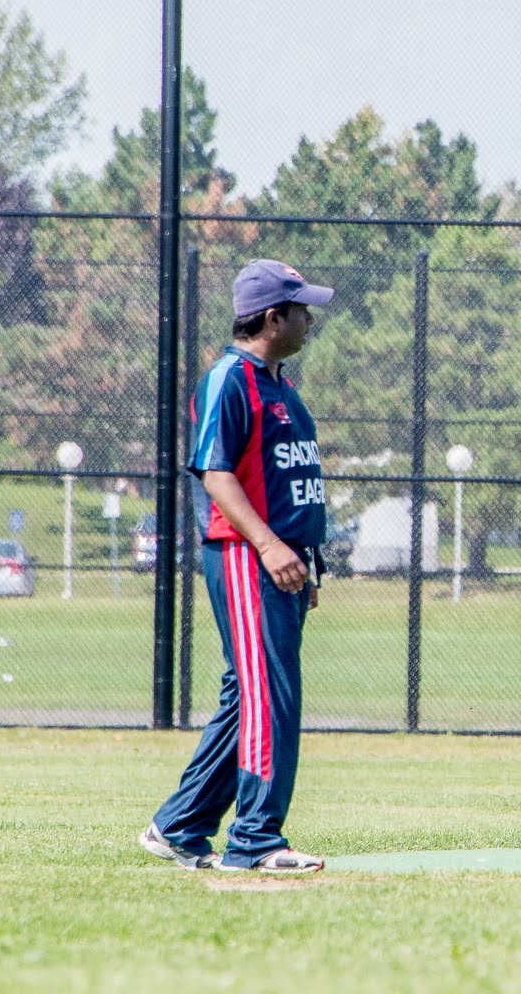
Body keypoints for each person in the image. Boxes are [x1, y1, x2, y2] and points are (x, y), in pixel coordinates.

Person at [141, 260, 334, 875]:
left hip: (282, 563)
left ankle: (179, 825)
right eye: (301, 309)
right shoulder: (231, 378)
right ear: (272, 317)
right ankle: (254, 840)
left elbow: (286, 480)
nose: (310, 319)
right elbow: (215, 473)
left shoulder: (280, 386)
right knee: (270, 695)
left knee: (246, 695)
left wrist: (304, 559)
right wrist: (271, 547)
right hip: (249, 558)